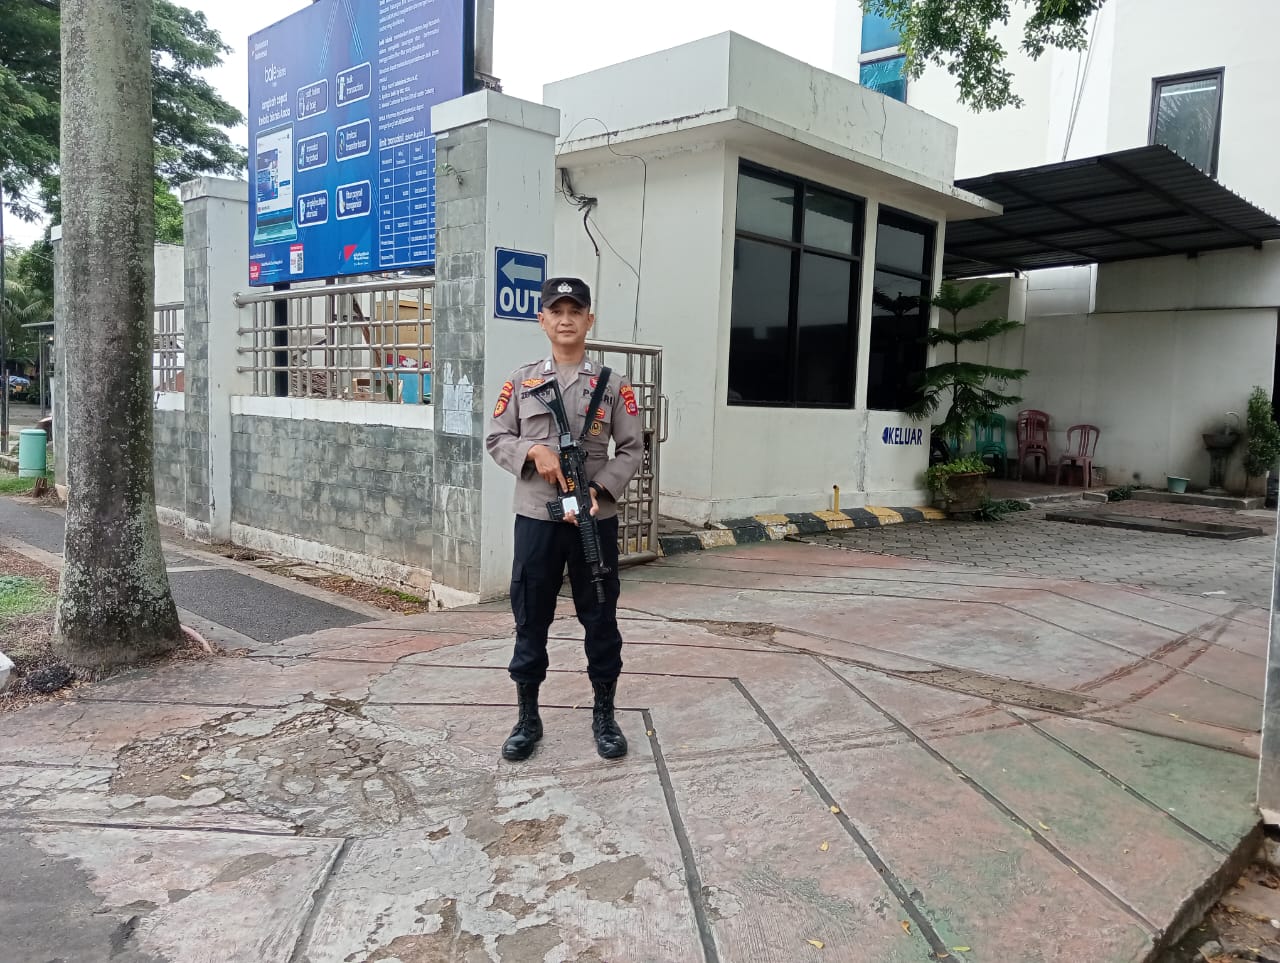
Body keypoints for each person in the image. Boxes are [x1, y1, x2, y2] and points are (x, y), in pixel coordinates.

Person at [485, 277, 644, 762]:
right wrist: (533, 451)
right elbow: (496, 438)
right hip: (537, 516)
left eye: (576, 311)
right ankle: (527, 717)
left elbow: (632, 448)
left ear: (590, 320)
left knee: (600, 616)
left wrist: (599, 488)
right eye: (557, 311)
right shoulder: (522, 380)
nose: (566, 319)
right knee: (531, 615)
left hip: (594, 518)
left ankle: (604, 715)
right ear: (542, 320)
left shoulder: (613, 384)